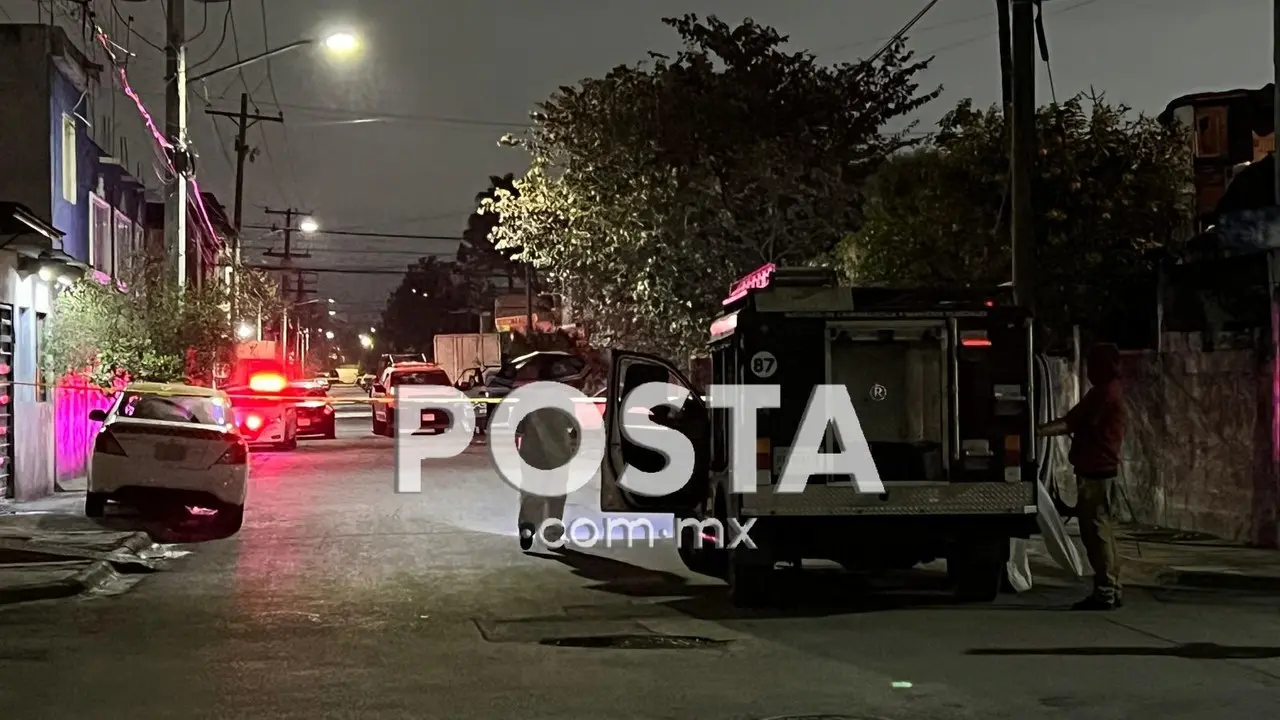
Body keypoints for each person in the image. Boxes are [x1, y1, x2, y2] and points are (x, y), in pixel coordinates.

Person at [1038, 343, 1127, 610]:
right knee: (1103, 533)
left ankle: (1105, 590)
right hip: (1100, 471)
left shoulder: (1104, 395)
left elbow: (1071, 422)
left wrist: (1036, 431)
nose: (1088, 370)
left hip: (1096, 474)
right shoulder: (1107, 392)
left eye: (1092, 365)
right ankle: (1112, 588)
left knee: (1096, 534)